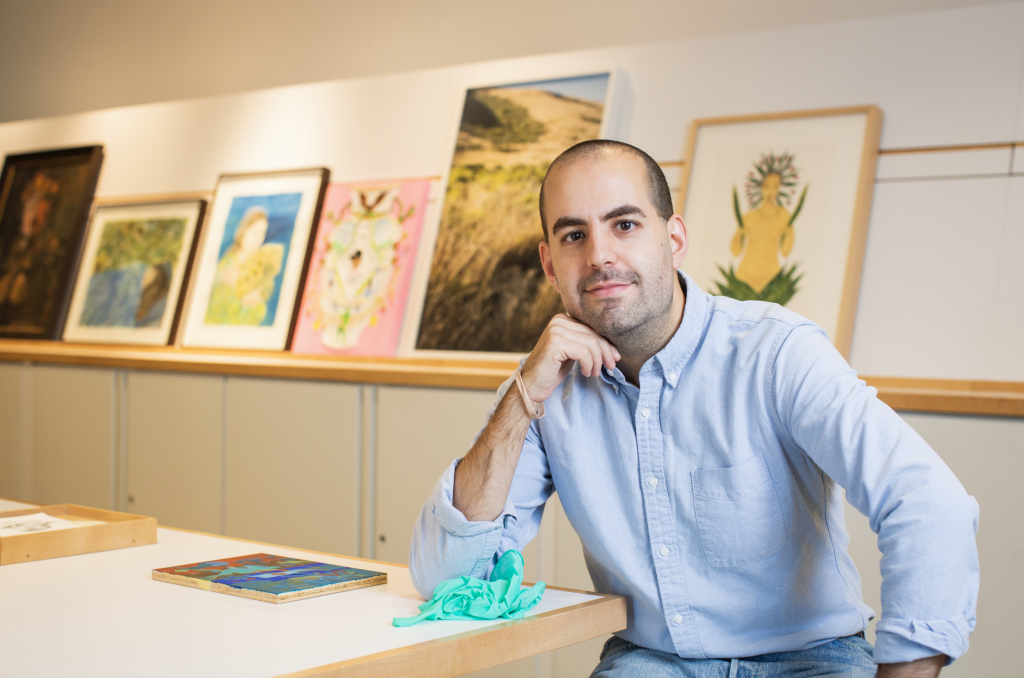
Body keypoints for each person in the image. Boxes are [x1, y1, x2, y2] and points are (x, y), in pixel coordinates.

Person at [409, 140, 978, 677]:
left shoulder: (777, 352)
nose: (600, 255)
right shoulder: (547, 385)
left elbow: (927, 502)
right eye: (573, 235)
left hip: (810, 658)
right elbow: (448, 579)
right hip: (652, 660)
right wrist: (521, 398)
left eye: (624, 225)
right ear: (549, 262)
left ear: (673, 239)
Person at [205, 206, 283, 325]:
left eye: (262, 233)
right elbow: (221, 308)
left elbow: (261, 307)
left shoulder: (260, 267)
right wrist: (245, 297)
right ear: (243, 232)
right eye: (254, 232)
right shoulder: (228, 264)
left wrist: (256, 298)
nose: (258, 239)